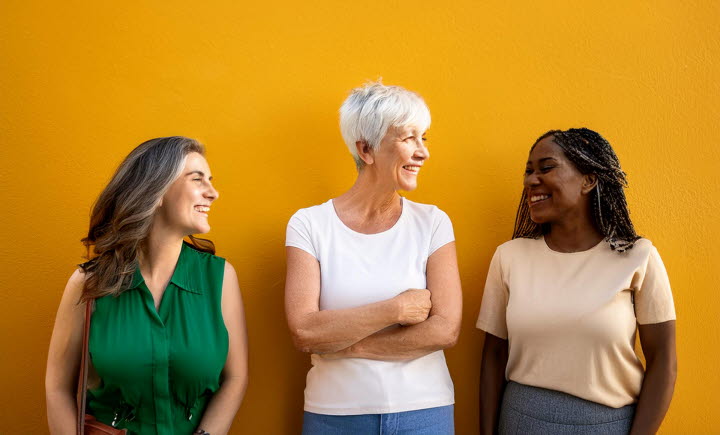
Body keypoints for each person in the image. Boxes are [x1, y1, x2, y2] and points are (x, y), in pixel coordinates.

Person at [284, 82, 462, 435]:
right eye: (408, 138)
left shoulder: (433, 222)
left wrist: (350, 343)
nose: (423, 152)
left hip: (424, 412)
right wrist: (394, 310)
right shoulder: (308, 224)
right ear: (366, 149)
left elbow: (445, 328)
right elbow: (305, 331)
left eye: (424, 137)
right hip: (334, 415)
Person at [477, 128, 677, 434]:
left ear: (589, 179)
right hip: (521, 421)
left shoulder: (639, 257)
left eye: (546, 167)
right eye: (528, 171)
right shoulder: (509, 257)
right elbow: (492, 356)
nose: (531, 180)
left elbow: (663, 360)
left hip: (608, 424)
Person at [46, 136, 248, 435]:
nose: (213, 193)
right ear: (157, 191)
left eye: (211, 180)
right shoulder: (89, 284)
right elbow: (57, 387)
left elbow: (236, 377)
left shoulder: (219, 278)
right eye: (197, 179)